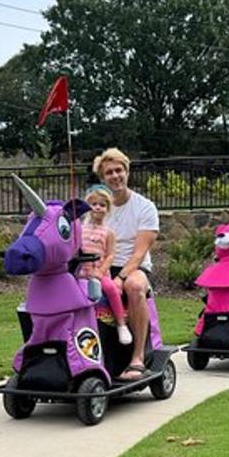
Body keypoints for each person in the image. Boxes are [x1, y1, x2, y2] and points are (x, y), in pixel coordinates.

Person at [94, 148, 159, 380]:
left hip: (134, 267)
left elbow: (140, 252)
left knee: (134, 286)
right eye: (109, 172)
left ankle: (138, 357)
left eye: (118, 170)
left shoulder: (144, 207)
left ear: (127, 172)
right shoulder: (98, 208)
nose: (115, 176)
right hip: (102, 266)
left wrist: (120, 278)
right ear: (103, 178)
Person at [80, 185, 131, 344]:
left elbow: (110, 255)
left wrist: (101, 271)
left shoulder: (108, 233)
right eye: (94, 204)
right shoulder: (81, 229)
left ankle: (121, 324)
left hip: (98, 273)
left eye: (102, 205)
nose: (98, 207)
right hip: (81, 273)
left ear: (107, 209)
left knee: (110, 288)